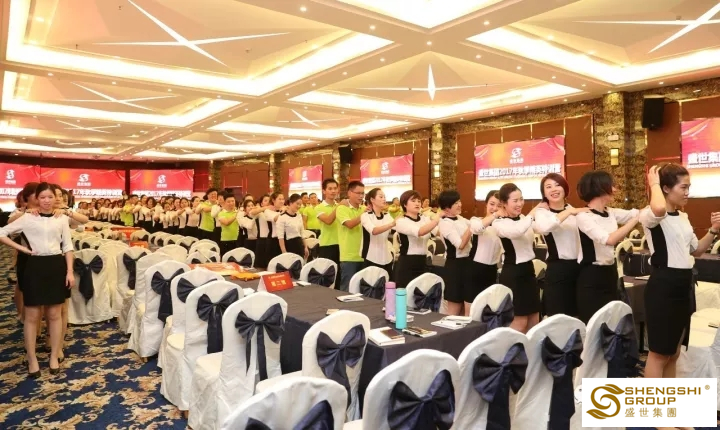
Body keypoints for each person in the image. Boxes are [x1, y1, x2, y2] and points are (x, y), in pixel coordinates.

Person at [642, 164, 720, 378]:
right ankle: (652, 399)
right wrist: (654, 183)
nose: (687, 192)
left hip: (683, 285)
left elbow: (697, 250)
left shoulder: (683, 217)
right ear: (666, 188)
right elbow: (659, 208)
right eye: (683, 187)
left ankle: (669, 397)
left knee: (674, 352)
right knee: (659, 354)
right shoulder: (650, 215)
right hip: (663, 286)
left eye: (689, 187)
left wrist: (713, 230)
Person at [0, 182, 75, 378]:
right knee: (32, 316)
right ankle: (32, 358)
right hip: (34, 267)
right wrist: (22, 249)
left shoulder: (61, 219)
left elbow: (68, 246)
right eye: (42, 197)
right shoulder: (27, 218)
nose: (47, 201)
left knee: (55, 314)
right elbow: (2, 233)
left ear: (55, 198)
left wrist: (69, 271)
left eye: (50, 197)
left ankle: (54, 356)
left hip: (56, 266)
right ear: (36, 199)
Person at [575, 170, 640, 324]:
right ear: (599, 188)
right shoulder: (584, 217)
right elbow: (609, 240)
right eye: (611, 186)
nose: (615, 190)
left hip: (610, 272)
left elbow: (637, 213)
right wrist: (634, 221)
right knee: (593, 324)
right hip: (591, 275)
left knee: (611, 322)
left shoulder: (610, 212)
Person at [533, 173, 589, 317]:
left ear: (565, 188)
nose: (554, 189)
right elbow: (544, 227)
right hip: (558, 270)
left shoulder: (572, 209)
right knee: (558, 317)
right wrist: (568, 212)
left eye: (557, 185)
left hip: (579, 268)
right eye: (548, 187)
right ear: (544, 192)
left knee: (578, 315)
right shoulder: (542, 212)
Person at [492, 183, 542, 333]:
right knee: (519, 322)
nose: (520, 204)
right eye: (515, 201)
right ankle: (512, 348)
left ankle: (530, 348)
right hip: (513, 273)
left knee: (534, 319)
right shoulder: (499, 223)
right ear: (503, 203)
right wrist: (532, 214)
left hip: (528, 271)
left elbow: (540, 228)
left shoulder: (523, 218)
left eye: (521, 199)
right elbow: (516, 232)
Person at [394, 190, 444, 290]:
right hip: (407, 263)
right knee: (405, 294)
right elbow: (420, 232)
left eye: (418, 201)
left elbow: (438, 232)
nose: (417, 203)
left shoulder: (425, 219)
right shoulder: (401, 221)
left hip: (423, 261)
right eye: (413, 201)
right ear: (405, 204)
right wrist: (437, 217)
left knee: (421, 294)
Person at [438, 190, 473, 316]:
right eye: (456, 203)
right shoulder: (445, 223)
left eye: (459, 201)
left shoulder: (461, 218)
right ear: (447, 207)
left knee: (465, 308)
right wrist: (471, 228)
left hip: (467, 264)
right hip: (455, 267)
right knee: (454, 309)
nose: (460, 205)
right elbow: (460, 245)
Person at [468, 190, 504, 314]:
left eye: (499, 205)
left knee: (488, 312)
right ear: (486, 204)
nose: (495, 208)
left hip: (492, 270)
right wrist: (495, 215)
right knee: (471, 312)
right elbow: (477, 229)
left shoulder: (503, 225)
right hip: (475, 270)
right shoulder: (476, 220)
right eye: (492, 204)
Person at [336, 181, 367, 291]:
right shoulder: (342, 209)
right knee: (347, 290)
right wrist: (364, 214)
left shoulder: (364, 208)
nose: (361, 196)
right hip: (349, 256)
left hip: (364, 255)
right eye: (358, 193)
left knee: (362, 290)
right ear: (349, 193)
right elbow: (349, 224)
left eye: (362, 193)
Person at [360, 188, 395, 274]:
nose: (384, 199)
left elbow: (397, 228)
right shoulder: (366, 216)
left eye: (384, 197)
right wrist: (391, 224)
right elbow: (374, 231)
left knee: (388, 281)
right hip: (371, 256)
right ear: (372, 199)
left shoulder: (387, 215)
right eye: (381, 197)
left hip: (386, 257)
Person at [316, 179, 342, 265]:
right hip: (327, 245)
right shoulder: (319, 207)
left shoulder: (340, 206)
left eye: (335, 188)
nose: (333, 191)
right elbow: (328, 221)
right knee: (328, 271)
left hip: (342, 244)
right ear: (324, 191)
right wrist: (339, 206)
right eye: (330, 189)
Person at [277, 194, 308, 260]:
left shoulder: (299, 216)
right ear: (291, 203)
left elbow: (302, 232)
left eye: (300, 204)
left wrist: (306, 247)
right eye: (297, 204)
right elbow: (280, 237)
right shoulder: (282, 217)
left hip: (299, 244)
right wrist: (284, 252)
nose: (299, 206)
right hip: (289, 245)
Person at [263, 193, 285, 263]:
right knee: (273, 263)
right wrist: (284, 212)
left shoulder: (286, 210)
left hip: (284, 239)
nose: (282, 201)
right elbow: (276, 219)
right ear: (273, 200)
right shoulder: (268, 211)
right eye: (279, 199)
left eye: (283, 199)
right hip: (273, 240)